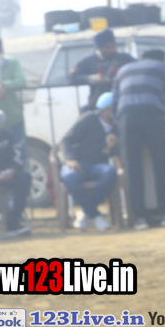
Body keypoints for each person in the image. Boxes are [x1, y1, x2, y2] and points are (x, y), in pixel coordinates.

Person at [111, 49, 165, 230]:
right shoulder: (162, 68)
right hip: (152, 116)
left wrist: (119, 127)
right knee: (160, 165)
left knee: (132, 169)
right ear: (161, 59)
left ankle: (140, 218)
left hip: (126, 118)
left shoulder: (124, 70)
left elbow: (114, 103)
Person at [59, 91, 118, 231]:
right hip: (79, 163)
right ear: (107, 109)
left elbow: (116, 151)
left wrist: (112, 147)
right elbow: (66, 140)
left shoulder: (117, 127)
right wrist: (71, 159)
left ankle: (86, 212)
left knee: (110, 172)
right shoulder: (89, 118)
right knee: (69, 176)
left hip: (99, 165)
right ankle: (96, 216)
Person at [69, 29, 135, 107]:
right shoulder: (88, 61)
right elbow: (71, 78)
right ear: (100, 48)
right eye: (108, 47)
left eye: (114, 46)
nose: (112, 49)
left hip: (122, 102)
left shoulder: (124, 58)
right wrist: (94, 79)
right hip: (100, 105)